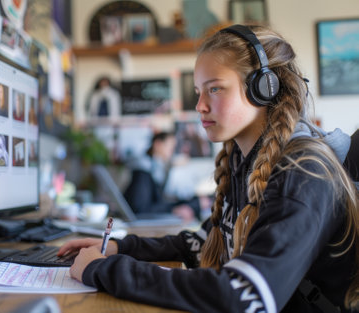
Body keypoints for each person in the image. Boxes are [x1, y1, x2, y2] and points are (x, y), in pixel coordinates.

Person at [58, 24, 359, 312]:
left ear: (263, 89)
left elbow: (244, 296)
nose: (199, 105)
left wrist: (103, 269)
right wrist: (121, 249)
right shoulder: (246, 159)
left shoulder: (303, 171)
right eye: (198, 91)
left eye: (214, 89)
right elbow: (203, 242)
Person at [123, 131, 208, 223]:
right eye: (170, 147)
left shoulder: (158, 168)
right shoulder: (143, 171)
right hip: (141, 221)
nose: (172, 151)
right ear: (158, 144)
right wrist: (174, 210)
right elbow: (141, 208)